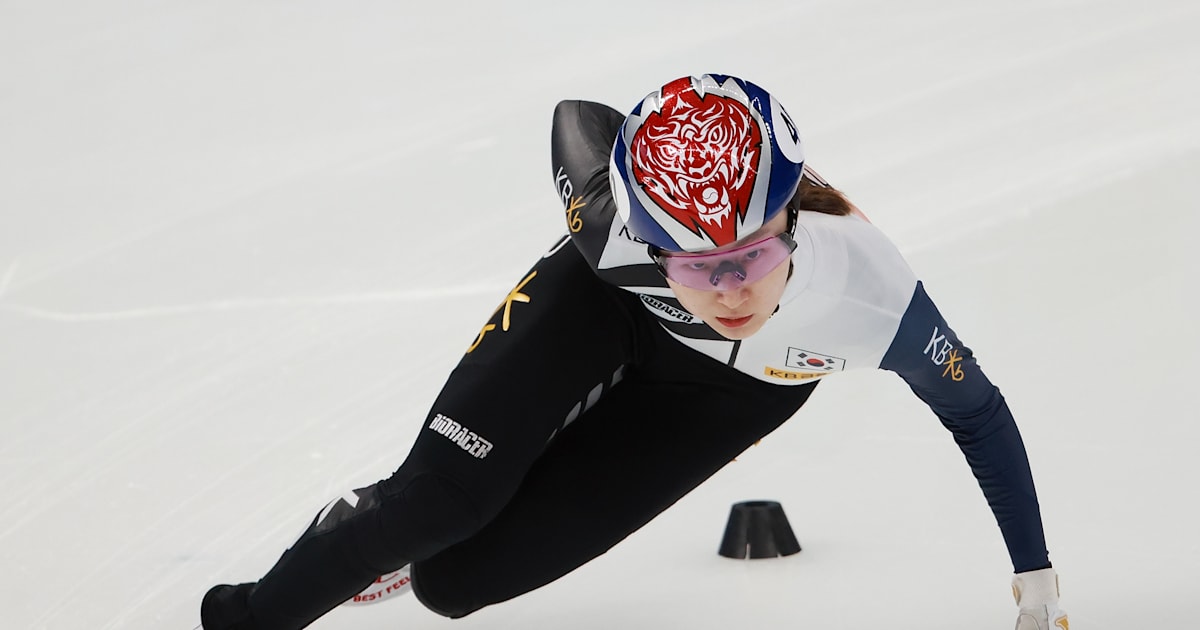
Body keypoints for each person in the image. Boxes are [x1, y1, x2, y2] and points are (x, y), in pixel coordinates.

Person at [200, 74, 1069, 630]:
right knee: (437, 506)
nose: (730, 288)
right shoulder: (609, 232)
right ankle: (268, 601)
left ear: (794, 222)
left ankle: (407, 548)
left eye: (756, 254)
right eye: (697, 263)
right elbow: (574, 118)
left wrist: (1037, 591)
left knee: (453, 584)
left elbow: (980, 418)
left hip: (736, 393)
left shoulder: (873, 300)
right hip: (606, 310)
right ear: (651, 243)